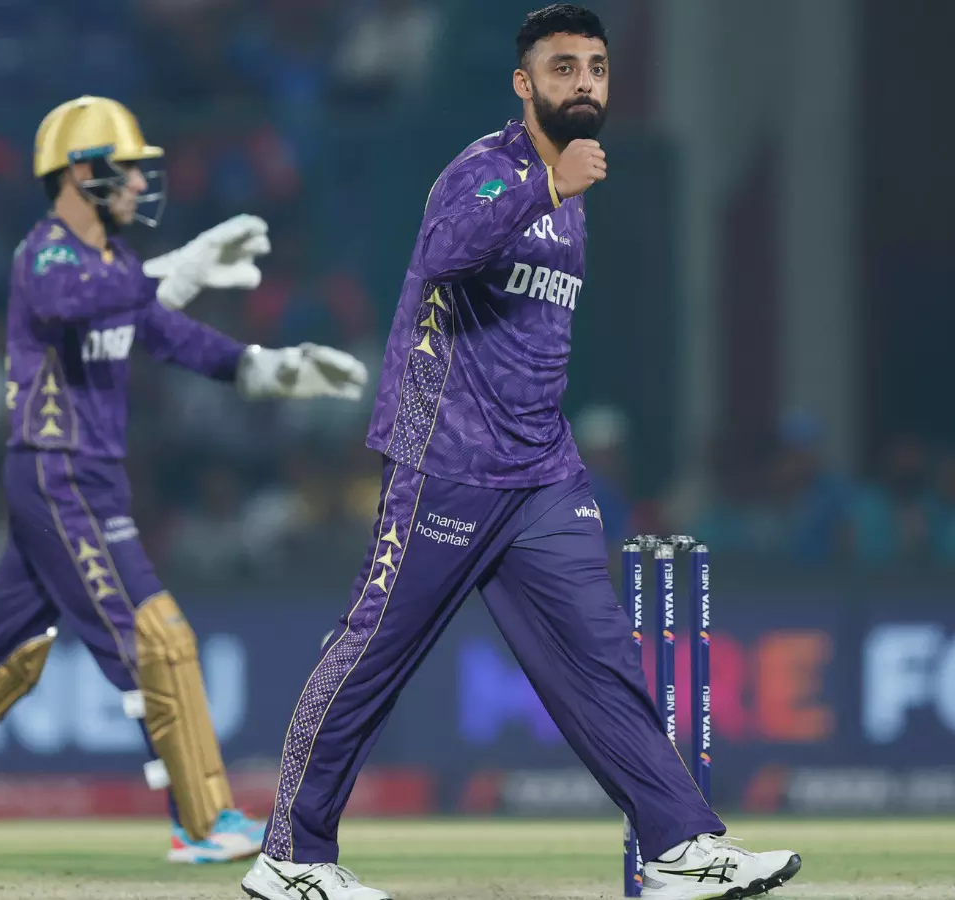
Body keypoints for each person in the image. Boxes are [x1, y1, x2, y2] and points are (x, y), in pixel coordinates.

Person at [241, 7, 801, 900]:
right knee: (372, 651)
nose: (584, 82)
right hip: (447, 460)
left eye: (597, 68)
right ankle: (291, 856)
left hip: (541, 469)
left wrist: (557, 190)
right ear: (524, 83)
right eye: (563, 66)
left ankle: (680, 847)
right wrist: (544, 184)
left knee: (601, 657)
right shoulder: (486, 170)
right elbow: (442, 253)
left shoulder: (573, 193)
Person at [0, 96, 368, 866]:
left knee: (9, 655)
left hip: (81, 478)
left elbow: (173, 336)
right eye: (127, 170)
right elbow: (75, 299)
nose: (141, 184)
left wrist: (268, 368)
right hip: (60, 471)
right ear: (81, 173)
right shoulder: (47, 254)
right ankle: (202, 820)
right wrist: (173, 269)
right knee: (155, 637)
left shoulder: (115, 266)